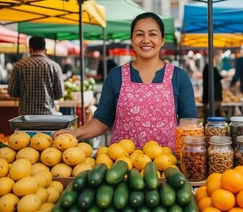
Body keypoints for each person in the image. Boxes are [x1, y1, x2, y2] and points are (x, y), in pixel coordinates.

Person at [53, 12, 198, 150]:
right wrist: (75, 134)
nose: (146, 40)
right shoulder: (116, 76)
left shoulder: (179, 77)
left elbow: (190, 126)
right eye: (139, 34)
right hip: (123, 165)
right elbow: (102, 120)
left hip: (166, 165)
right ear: (132, 40)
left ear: (162, 40)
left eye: (153, 34)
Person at [8, 36, 64, 115]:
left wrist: (25, 93)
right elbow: (60, 94)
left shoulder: (19, 66)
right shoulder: (54, 66)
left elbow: (11, 92)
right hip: (47, 115)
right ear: (45, 49)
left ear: (30, 48)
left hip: (25, 116)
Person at [202, 50, 223, 118]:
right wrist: (209, 100)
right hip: (212, 98)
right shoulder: (209, 68)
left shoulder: (211, 68)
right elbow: (208, 84)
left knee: (214, 117)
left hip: (213, 98)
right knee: (212, 117)